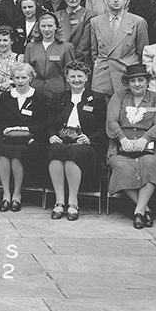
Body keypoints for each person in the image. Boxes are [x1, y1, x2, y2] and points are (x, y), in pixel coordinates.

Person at [106, 63, 156, 229]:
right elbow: (111, 120)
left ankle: (138, 211)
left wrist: (145, 139)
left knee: (150, 164)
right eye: (132, 81)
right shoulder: (119, 96)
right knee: (121, 166)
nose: (137, 84)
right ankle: (144, 209)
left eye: (141, 80)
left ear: (147, 81)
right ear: (127, 82)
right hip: (122, 145)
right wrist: (122, 139)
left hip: (150, 147)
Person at [46, 61, 106, 221]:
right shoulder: (58, 98)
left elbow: (102, 127)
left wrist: (89, 139)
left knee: (73, 153)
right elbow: (49, 123)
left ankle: (73, 201)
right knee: (55, 151)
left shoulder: (97, 99)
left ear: (87, 77)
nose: (76, 80)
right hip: (61, 141)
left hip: (84, 144)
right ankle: (59, 201)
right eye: (72, 76)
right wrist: (51, 135)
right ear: (67, 78)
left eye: (80, 76)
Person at [0, 63, 48, 212]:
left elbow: (44, 124)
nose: (20, 81)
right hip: (8, 138)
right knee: (3, 153)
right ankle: (6, 194)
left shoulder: (39, 98)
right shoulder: (5, 97)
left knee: (17, 154)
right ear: (12, 79)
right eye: (17, 77)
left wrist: (26, 129)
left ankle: (17, 194)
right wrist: (5, 130)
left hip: (30, 139)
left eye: (24, 77)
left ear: (31, 78)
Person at [90, 0, 149, 95]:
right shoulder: (95, 22)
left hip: (126, 72)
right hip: (104, 74)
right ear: (106, 0)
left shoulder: (138, 21)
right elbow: (94, 51)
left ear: (125, 0)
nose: (116, 0)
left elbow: (142, 51)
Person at [24, 12, 75, 97]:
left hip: (58, 92)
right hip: (35, 92)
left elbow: (70, 73)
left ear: (56, 27)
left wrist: (69, 94)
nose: (46, 29)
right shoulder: (31, 46)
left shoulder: (67, 47)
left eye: (50, 26)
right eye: (43, 26)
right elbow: (26, 72)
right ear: (39, 27)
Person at [56, 0, 93, 66]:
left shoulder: (89, 15)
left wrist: (71, 62)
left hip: (80, 62)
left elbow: (84, 45)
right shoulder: (56, 15)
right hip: (57, 61)